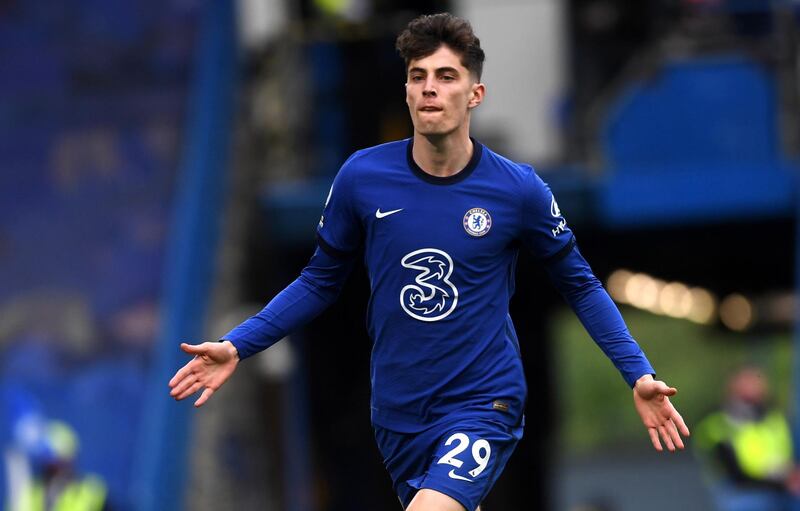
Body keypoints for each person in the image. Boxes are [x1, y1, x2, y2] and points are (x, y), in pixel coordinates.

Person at [169, 13, 690, 511]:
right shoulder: (362, 177)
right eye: (417, 77)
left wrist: (637, 373)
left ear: (475, 94)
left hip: (484, 402)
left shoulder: (517, 190)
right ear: (406, 91)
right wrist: (239, 343)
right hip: (398, 412)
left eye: (445, 76)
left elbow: (580, 286)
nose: (429, 88)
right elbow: (319, 282)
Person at [695, 367, 800, 511]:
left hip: (781, 489)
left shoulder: (774, 417)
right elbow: (734, 475)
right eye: (747, 381)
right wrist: (782, 481)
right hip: (743, 492)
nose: (754, 386)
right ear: (733, 385)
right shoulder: (719, 422)